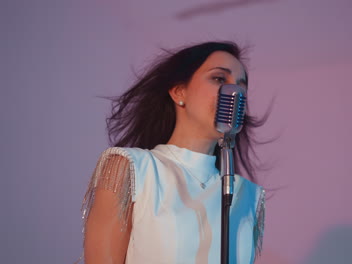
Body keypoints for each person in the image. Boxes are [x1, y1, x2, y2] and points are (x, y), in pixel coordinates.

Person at [78, 41, 266, 264]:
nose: (234, 91)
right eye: (218, 78)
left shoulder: (248, 195)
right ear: (179, 91)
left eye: (241, 85)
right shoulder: (132, 168)